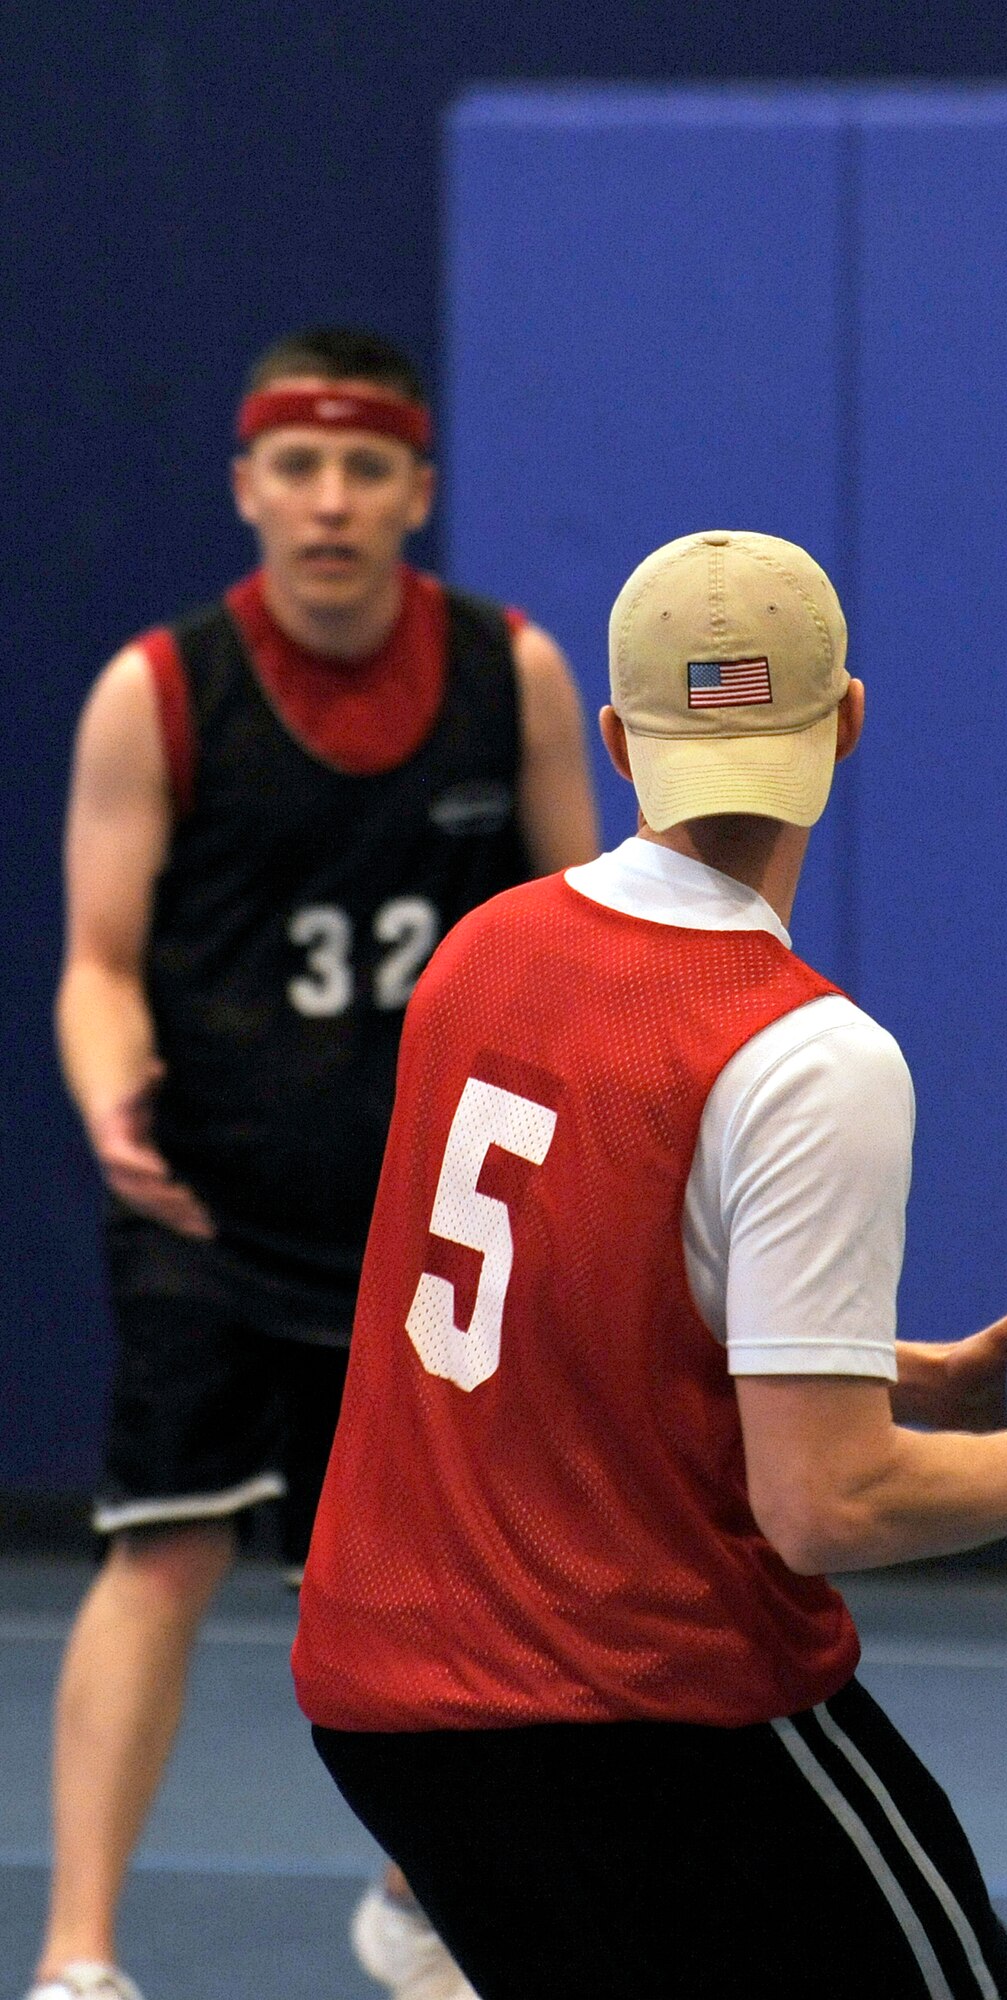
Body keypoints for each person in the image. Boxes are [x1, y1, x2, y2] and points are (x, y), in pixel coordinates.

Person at [291, 528, 1007, 2000]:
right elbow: (826, 1502)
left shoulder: (482, 954)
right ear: (847, 719)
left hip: (387, 1711)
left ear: (623, 744)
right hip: (640, 1710)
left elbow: (580, 1321)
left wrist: (942, 1379)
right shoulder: (802, 1052)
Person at [29, 327, 599, 2000]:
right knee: (166, 1549)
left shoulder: (518, 676)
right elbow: (97, 960)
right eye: (297, 466)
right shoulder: (160, 689)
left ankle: (421, 1898)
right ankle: (77, 1960)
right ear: (245, 487)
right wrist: (106, 1093)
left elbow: (589, 933)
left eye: (365, 469)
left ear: (417, 490)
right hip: (211, 1210)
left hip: (439, 1229)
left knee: (458, 1590)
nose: (330, 501)